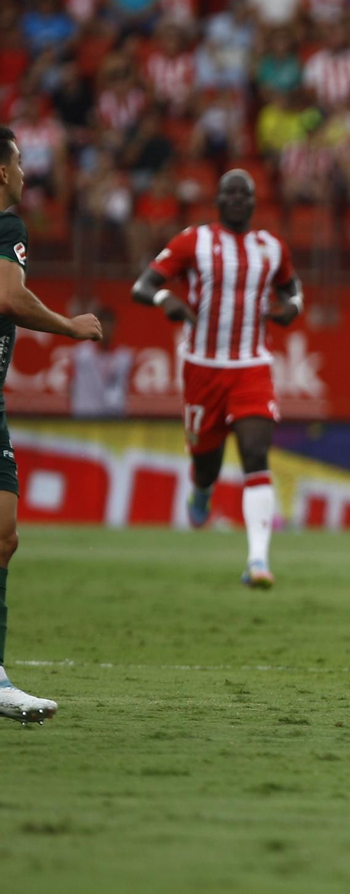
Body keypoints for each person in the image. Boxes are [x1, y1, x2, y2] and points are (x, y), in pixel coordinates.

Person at [130, 170, 304, 588]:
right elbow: (143, 285)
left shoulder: (270, 247)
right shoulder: (194, 241)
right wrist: (164, 298)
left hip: (252, 366)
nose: (239, 199)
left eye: (246, 193)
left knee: (255, 452)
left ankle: (258, 561)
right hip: (202, 369)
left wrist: (290, 309)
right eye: (231, 192)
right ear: (218, 200)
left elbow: (293, 291)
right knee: (206, 465)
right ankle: (202, 490)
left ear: (254, 201)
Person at [0, 126, 104, 723]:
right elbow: (10, 299)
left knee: (3, 533)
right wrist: (71, 325)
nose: (22, 171)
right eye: (15, 161)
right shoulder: (8, 229)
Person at [70, 308, 133, 418]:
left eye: (109, 327)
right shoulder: (82, 354)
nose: (106, 331)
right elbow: (71, 383)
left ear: (115, 328)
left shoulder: (124, 357)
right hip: (85, 414)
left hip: (112, 417)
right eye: (102, 326)